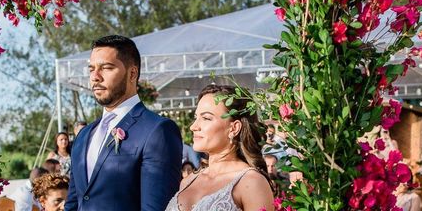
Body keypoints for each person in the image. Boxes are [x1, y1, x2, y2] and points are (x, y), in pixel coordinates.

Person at [65, 34, 182, 211]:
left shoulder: (157, 130)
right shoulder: (83, 135)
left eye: (106, 68)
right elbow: (73, 204)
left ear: (132, 73)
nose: (95, 77)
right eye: (91, 69)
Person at [165, 84, 275, 211]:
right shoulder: (187, 182)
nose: (193, 126)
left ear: (234, 128)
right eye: (196, 117)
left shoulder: (251, 182)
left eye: (206, 118)